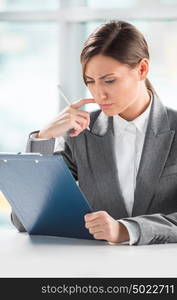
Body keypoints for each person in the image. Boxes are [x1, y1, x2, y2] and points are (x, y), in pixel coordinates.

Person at [11, 20, 177, 245]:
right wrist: (44, 138)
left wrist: (127, 229)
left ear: (142, 69)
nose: (99, 94)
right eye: (90, 82)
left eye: (109, 81)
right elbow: (25, 219)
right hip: (96, 271)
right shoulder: (81, 134)